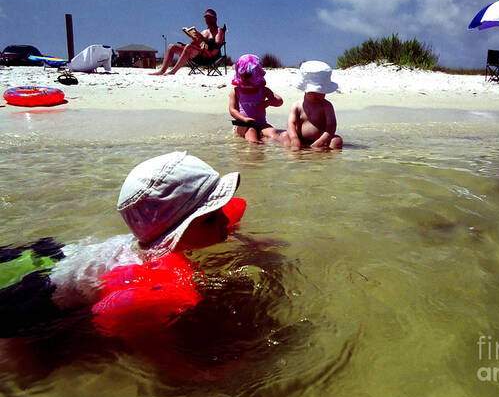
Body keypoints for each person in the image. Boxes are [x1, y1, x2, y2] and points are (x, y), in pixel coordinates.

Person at [0, 151, 243, 336]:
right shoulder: (147, 276)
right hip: (34, 300)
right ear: (177, 233)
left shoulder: (153, 237)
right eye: (211, 216)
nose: (224, 219)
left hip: (63, 255)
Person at [280, 61, 342, 150]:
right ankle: (293, 157)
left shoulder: (326, 106)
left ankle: (327, 157)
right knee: (284, 135)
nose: (320, 95)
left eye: (323, 92)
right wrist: (294, 138)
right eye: (316, 92)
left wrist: (321, 141)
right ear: (305, 89)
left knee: (337, 140)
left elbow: (331, 127)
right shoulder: (297, 105)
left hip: (322, 140)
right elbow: (291, 124)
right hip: (300, 139)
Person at [150, 9, 225, 76]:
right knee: (171, 47)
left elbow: (217, 44)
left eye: (209, 17)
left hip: (209, 57)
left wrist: (202, 38)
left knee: (189, 47)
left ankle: (173, 71)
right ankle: (161, 71)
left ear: (215, 19)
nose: (207, 20)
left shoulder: (218, 30)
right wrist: (193, 38)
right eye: (206, 18)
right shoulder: (204, 32)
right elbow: (195, 45)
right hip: (199, 55)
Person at [229, 54, 283, 144]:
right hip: (243, 125)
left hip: (261, 123)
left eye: (249, 75)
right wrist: (243, 119)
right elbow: (232, 109)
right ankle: (255, 149)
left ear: (257, 74)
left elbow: (279, 101)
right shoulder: (236, 91)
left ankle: (286, 145)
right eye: (243, 75)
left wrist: (268, 102)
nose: (246, 79)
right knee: (251, 132)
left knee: (272, 132)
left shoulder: (262, 90)